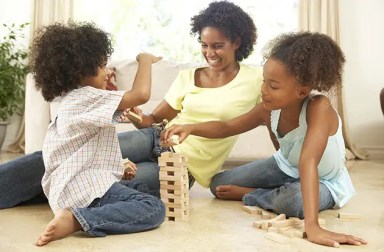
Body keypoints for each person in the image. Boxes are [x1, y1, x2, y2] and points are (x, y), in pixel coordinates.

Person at [0, 1, 261, 205]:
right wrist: (140, 120)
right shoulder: (187, 77)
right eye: (204, 45)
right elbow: (153, 121)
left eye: (217, 46)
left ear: (237, 42)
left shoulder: (256, 79)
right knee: (67, 155)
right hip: (153, 138)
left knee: (102, 186)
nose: (209, 53)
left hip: (182, 168)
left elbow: (233, 124)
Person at [161, 32, 367, 248]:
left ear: (302, 91)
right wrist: (190, 127)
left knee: (294, 202)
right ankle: (275, 192)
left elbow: (308, 161)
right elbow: (226, 126)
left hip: (325, 180)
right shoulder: (267, 109)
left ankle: (259, 195)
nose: (264, 91)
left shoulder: (319, 107)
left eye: (273, 86)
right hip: (286, 166)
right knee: (218, 186)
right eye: (264, 82)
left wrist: (312, 226)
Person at [28, 21, 165, 246]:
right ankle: (77, 220)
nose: (107, 72)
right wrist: (145, 59)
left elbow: (80, 154)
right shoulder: (86, 97)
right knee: (153, 208)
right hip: (84, 196)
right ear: (80, 71)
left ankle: (75, 215)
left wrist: (117, 168)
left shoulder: (71, 101)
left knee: (137, 189)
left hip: (70, 191)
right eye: (102, 66)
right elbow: (141, 94)